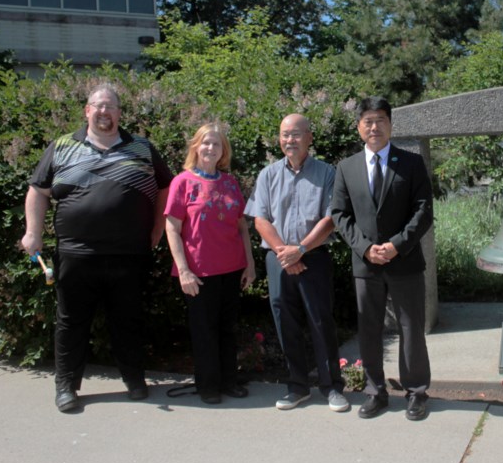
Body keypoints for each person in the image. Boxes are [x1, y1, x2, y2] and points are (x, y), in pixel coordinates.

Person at [21, 82, 172, 413]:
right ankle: (66, 387)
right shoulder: (61, 147)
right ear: (87, 111)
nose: (104, 112)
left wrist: (159, 226)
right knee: (71, 322)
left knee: (128, 320)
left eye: (111, 106)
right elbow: (38, 191)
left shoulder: (142, 148)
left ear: (120, 113)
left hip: (129, 253)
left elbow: (166, 187)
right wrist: (33, 232)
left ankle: (134, 379)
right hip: (76, 254)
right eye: (98, 106)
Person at [331, 97, 433, 421]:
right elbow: (339, 215)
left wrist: (397, 245)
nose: (374, 127)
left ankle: (416, 392)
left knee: (411, 329)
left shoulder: (412, 163)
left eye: (380, 120)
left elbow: (423, 211)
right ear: (359, 126)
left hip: (404, 262)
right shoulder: (346, 168)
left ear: (390, 124)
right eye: (367, 121)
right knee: (370, 330)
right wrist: (364, 248)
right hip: (366, 265)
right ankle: (375, 392)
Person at [245, 114, 349, 413]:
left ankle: (331, 387)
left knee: (320, 321)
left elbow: (331, 218)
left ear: (310, 137)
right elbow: (260, 218)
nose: (289, 140)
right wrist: (284, 253)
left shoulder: (328, 173)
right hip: (278, 259)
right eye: (284, 134)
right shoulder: (268, 175)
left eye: (295, 134)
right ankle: (297, 387)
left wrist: (300, 250)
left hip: (313, 258)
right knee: (285, 322)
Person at [165, 123, 256, 405]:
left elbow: (242, 226)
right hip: (199, 272)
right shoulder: (183, 182)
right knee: (204, 331)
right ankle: (208, 385)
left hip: (232, 268)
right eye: (206, 143)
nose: (210, 148)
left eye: (216, 144)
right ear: (196, 146)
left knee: (227, 329)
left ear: (223, 151)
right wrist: (183, 270)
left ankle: (229, 381)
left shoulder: (229, 183)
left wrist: (250, 264)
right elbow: (172, 227)